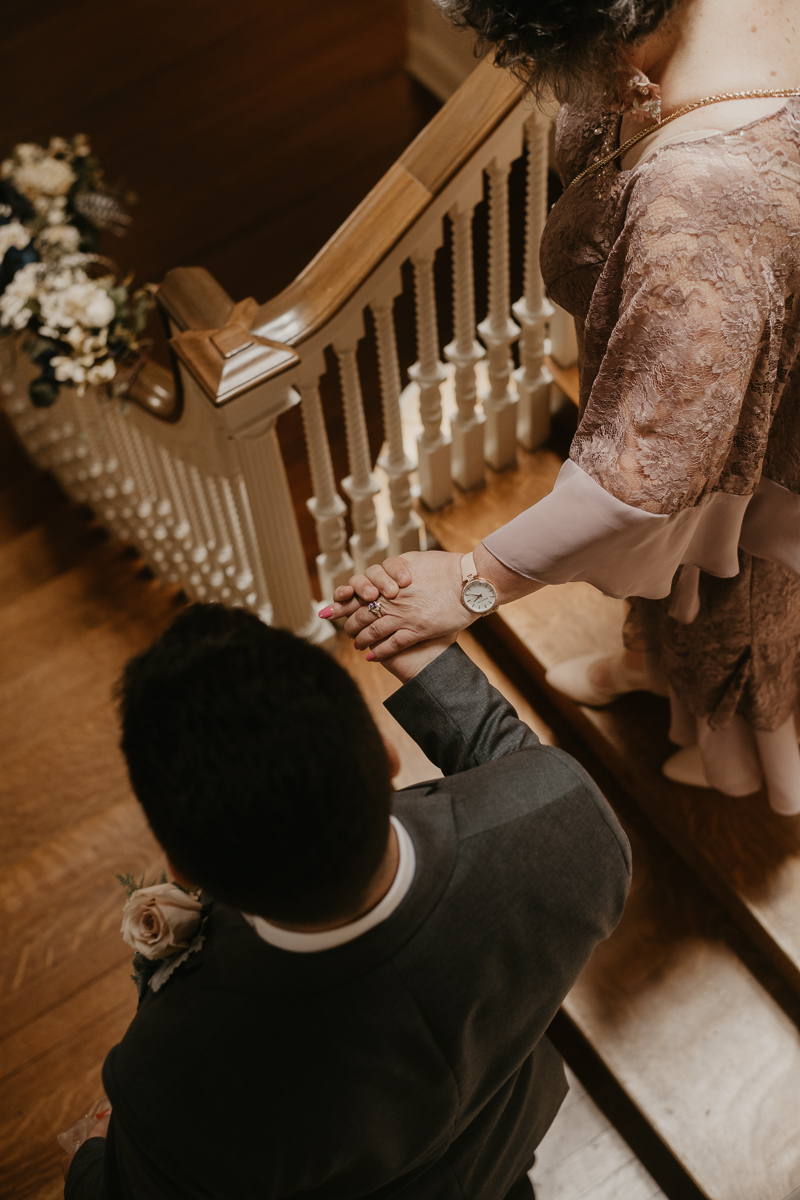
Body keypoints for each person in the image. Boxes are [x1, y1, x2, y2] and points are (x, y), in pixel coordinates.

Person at [323, 0, 800, 816]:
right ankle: (652, 672)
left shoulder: (706, 207)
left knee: (732, 608)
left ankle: (737, 756)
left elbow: (640, 482)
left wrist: (469, 583)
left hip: (745, 459)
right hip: (685, 387)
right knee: (672, 598)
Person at [62, 603, 630, 1200]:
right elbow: (526, 778)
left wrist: (88, 1162)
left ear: (181, 871)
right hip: (506, 1134)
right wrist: (434, 667)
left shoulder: (169, 1080)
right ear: (387, 756)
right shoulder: (576, 829)